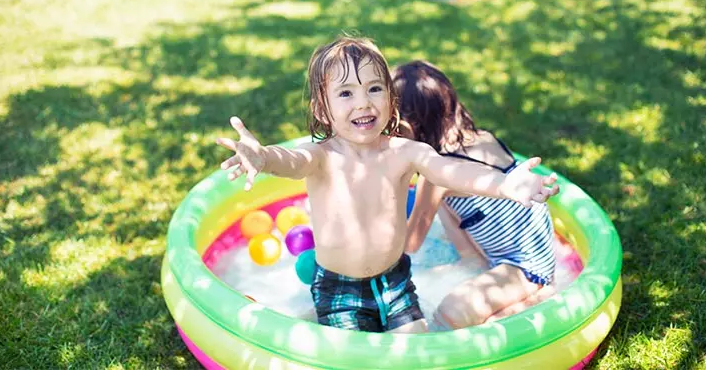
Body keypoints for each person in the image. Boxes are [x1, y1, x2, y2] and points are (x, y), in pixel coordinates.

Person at [215, 36, 558, 334]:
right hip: (339, 290)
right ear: (322, 109)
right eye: (346, 93)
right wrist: (262, 157)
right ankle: (312, 318)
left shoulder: (405, 152)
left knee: (416, 354)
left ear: (391, 101)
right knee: (358, 360)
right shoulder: (321, 156)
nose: (363, 102)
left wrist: (504, 184)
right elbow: (289, 161)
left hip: (395, 284)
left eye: (374, 89)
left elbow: (450, 171)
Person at [394, 60, 558, 329]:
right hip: (529, 248)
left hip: (526, 266)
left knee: (449, 314)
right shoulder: (482, 138)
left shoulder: (437, 175)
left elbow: (410, 244)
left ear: (408, 126)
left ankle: (539, 298)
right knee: (445, 202)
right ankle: (472, 262)